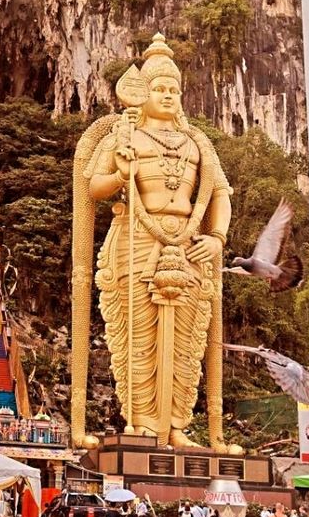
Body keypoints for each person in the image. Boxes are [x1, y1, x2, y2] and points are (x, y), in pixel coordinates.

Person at [71, 33, 238, 450]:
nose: (167, 95)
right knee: (136, 335)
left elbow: (220, 193)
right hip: (136, 239)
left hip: (189, 242)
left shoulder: (198, 143)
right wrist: (120, 173)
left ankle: (178, 424)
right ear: (141, 92)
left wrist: (216, 238)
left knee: (188, 338)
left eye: (173, 89)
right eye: (159, 88)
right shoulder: (123, 137)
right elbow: (92, 187)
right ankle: (143, 422)